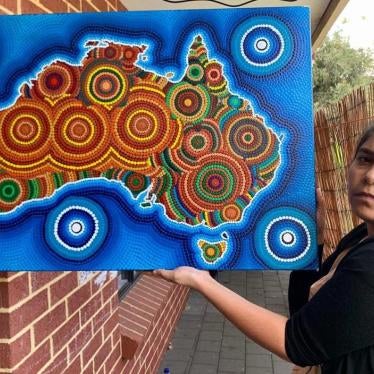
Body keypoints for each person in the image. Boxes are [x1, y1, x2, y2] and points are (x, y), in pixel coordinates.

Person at [154, 124, 374, 373]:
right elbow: (304, 309)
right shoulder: (359, 238)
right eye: (365, 159)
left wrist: (203, 281)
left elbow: (295, 342)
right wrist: (316, 238)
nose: (369, 176)